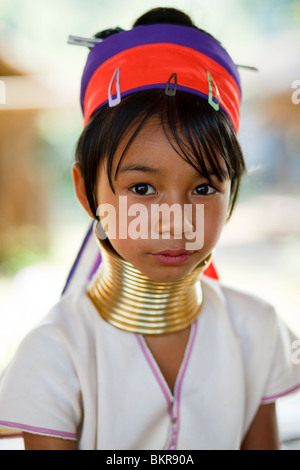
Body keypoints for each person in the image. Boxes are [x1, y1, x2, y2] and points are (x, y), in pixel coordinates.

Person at [0, 7, 299, 450]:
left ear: (231, 192)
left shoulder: (257, 329)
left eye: (203, 187)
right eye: (142, 187)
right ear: (87, 193)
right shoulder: (54, 355)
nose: (175, 221)